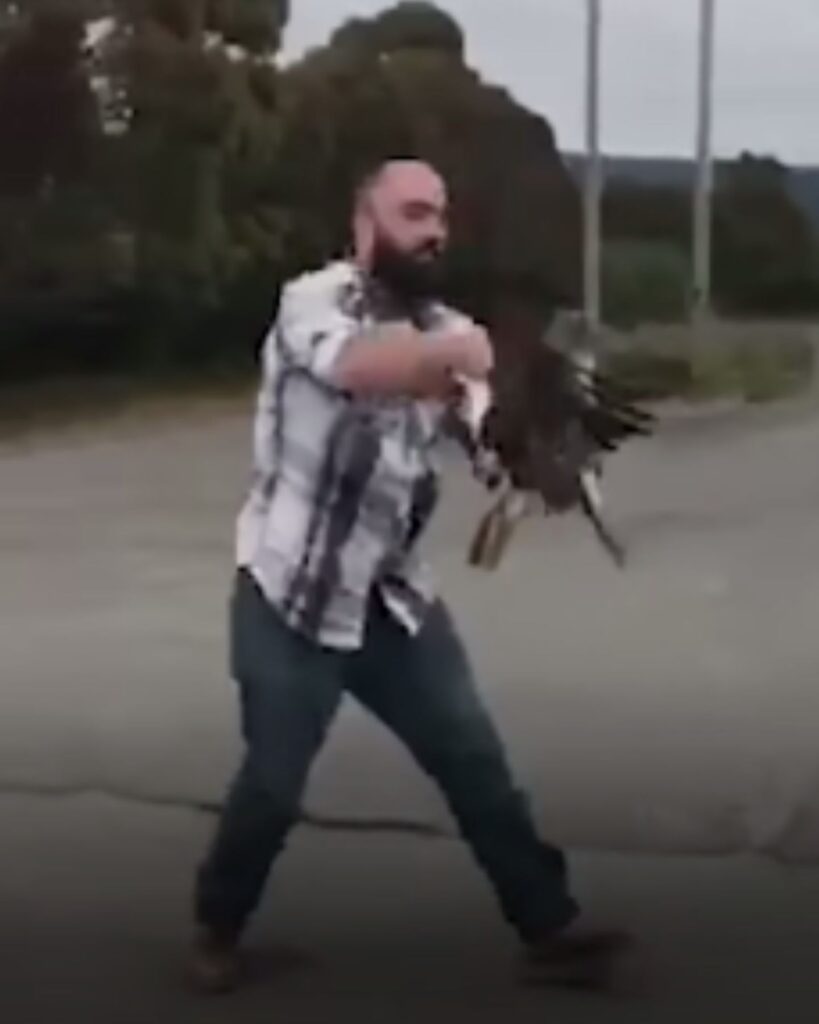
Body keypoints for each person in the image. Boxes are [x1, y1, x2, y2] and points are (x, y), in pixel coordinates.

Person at [188, 159, 631, 993]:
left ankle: (550, 929)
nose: (433, 231)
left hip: (391, 599)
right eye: (414, 212)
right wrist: (460, 354)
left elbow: (481, 434)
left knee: (472, 757)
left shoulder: (449, 326)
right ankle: (216, 928)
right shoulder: (312, 302)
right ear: (366, 223)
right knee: (275, 780)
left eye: (441, 216)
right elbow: (359, 367)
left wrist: (538, 461)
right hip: (290, 591)